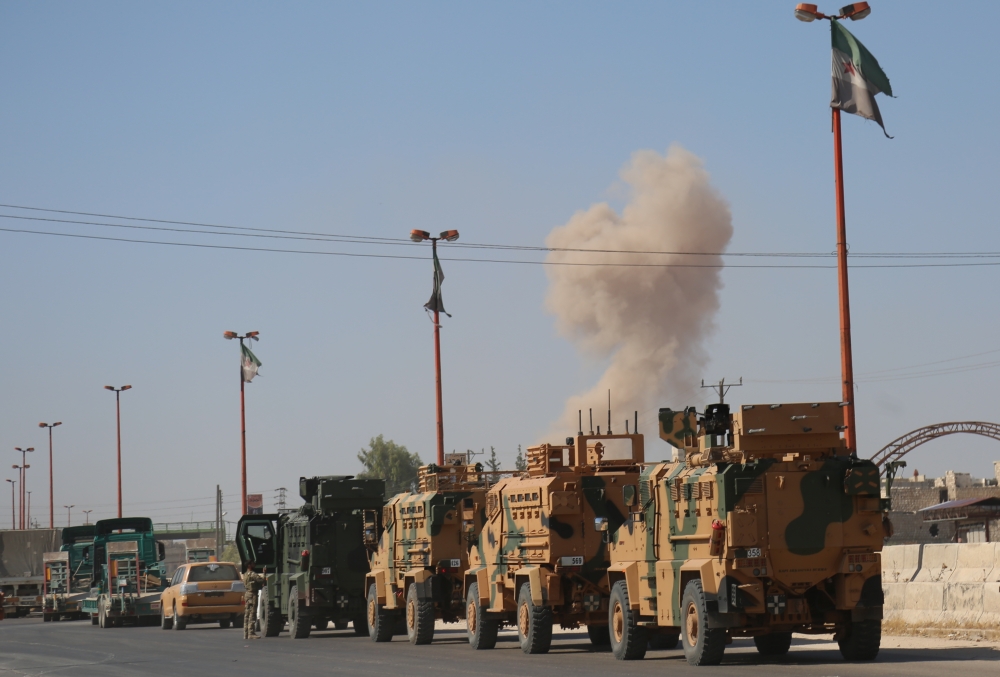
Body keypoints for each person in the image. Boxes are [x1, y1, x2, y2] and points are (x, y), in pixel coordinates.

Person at [242, 562, 266, 639]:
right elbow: (261, 580)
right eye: (252, 564)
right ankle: (251, 633)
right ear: (249, 565)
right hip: (252, 595)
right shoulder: (253, 574)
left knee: (247, 614)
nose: (254, 565)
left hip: (247, 594)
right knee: (252, 613)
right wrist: (264, 573)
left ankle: (246, 633)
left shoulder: (245, 574)